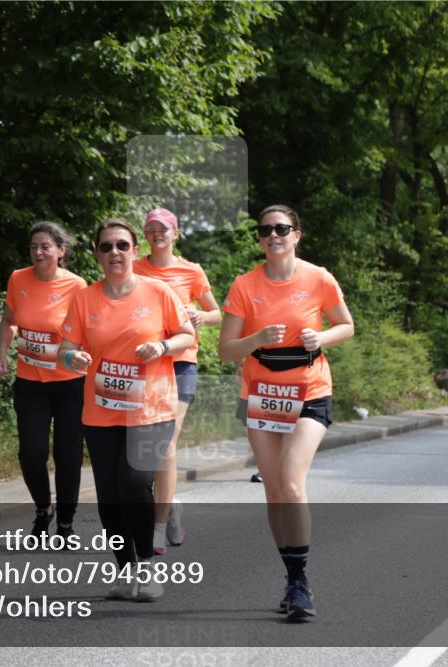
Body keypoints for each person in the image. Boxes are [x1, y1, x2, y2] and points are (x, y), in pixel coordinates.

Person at [218, 204, 354, 621]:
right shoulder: (245, 285)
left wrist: (322, 338)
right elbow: (226, 350)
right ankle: (291, 577)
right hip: (261, 395)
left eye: (281, 228)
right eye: (265, 230)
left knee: (292, 484)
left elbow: (346, 325)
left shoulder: (318, 278)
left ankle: (301, 581)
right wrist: (256, 337)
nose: (273, 235)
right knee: (274, 489)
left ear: (297, 234)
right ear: (259, 239)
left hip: (310, 391)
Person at [57, 218, 195, 602]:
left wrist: (163, 348)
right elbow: (65, 349)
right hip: (101, 411)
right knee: (108, 495)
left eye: (121, 245)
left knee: (133, 482)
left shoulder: (159, 291)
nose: (114, 252)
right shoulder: (85, 299)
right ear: (98, 255)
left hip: (152, 409)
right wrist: (74, 357)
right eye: (106, 247)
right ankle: (125, 570)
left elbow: (188, 335)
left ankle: (148, 567)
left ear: (135, 251)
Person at [134, 207, 221, 555]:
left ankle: (156, 527)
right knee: (143, 450)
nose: (157, 234)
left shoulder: (191, 270)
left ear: (176, 233)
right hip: (142, 365)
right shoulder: (134, 266)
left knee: (165, 445)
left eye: (163, 229)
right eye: (151, 229)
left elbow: (217, 312)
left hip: (181, 363)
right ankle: (169, 507)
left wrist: (201, 314)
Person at [0, 221, 87, 539]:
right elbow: (9, 320)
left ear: (61, 251)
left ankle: (66, 521)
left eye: (46, 246)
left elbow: (86, 332)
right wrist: (2, 353)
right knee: (32, 452)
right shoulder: (18, 278)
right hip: (30, 381)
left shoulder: (77, 286)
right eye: (34, 246)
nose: (38, 252)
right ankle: (42, 509)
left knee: (67, 454)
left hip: (69, 382)